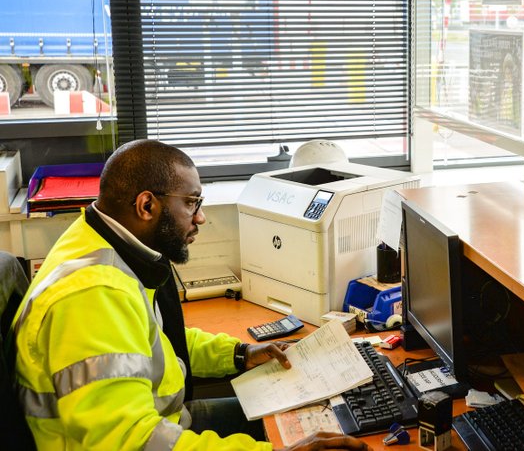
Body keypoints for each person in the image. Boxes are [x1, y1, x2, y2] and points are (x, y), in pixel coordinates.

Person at [12, 139, 368, 450]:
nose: (199, 218)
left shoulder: (100, 241)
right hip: (145, 437)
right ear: (146, 206)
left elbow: (157, 340)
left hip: (162, 420)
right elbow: (126, 443)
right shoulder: (93, 297)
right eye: (192, 203)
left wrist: (241, 354)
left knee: (313, 417)